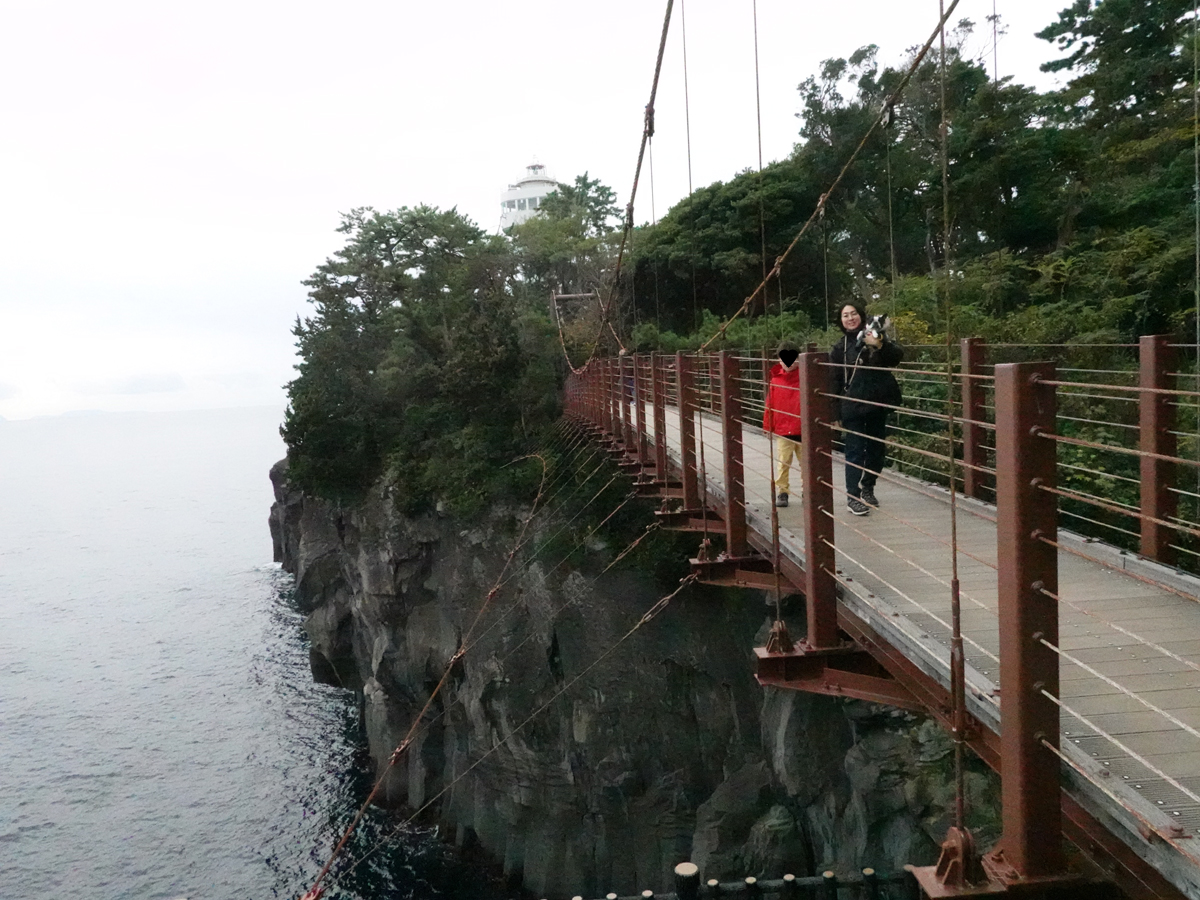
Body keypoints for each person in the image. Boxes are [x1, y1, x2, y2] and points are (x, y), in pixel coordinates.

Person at [830, 303, 903, 516]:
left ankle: (868, 488)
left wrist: (879, 345)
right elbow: (833, 380)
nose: (850, 318)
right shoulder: (839, 347)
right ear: (840, 320)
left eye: (853, 314)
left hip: (876, 403)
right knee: (853, 450)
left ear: (861, 316)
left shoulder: (878, 336)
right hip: (852, 405)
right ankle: (853, 497)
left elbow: (897, 357)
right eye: (845, 315)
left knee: (876, 450)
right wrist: (834, 413)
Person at [763, 340, 802, 508]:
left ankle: (807, 491)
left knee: (806, 463)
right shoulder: (776, 380)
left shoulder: (806, 378)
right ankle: (782, 491)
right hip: (783, 429)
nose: (788, 363)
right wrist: (767, 425)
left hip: (802, 428)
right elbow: (769, 405)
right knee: (783, 462)